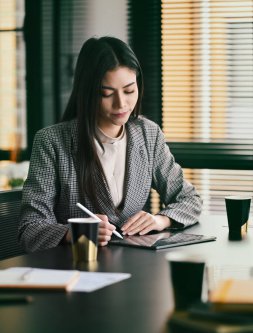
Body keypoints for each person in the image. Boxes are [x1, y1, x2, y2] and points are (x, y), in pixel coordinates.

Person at [18, 36, 202, 252]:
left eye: (129, 90)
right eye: (106, 94)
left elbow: (189, 199)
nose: (121, 104)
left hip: (134, 266)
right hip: (74, 268)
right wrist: (74, 232)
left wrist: (160, 220)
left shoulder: (148, 134)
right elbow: (29, 229)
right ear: (87, 92)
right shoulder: (52, 142)